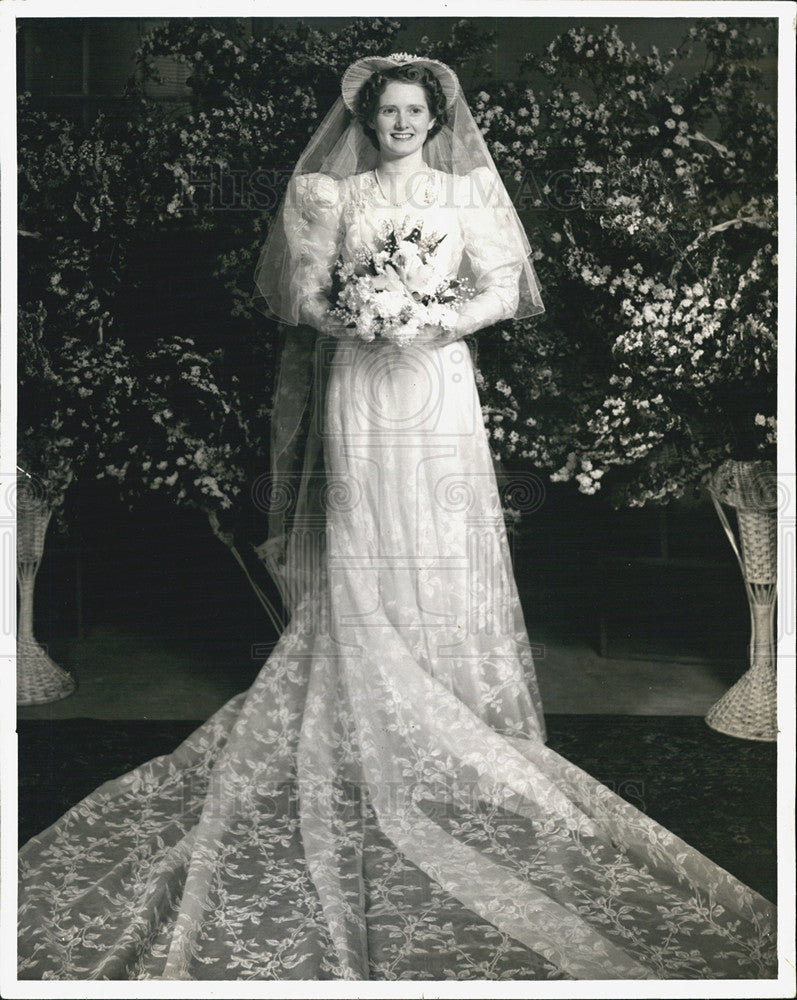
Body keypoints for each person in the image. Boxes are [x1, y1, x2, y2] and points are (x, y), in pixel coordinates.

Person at [17, 55, 776, 982]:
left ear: (435, 117)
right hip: (361, 386)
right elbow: (297, 296)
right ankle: (367, 696)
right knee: (369, 534)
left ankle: (450, 702)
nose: (403, 123)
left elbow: (505, 284)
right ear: (368, 120)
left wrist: (430, 316)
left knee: (441, 537)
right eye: (389, 111)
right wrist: (362, 312)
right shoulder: (326, 195)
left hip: (436, 379)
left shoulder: (466, 194)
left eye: (416, 110)